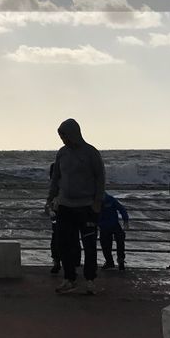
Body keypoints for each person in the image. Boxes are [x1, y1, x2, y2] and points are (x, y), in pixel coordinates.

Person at [45, 118, 105, 295]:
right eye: (61, 136)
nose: (63, 139)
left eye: (64, 135)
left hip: (86, 207)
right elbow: (56, 178)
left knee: (89, 245)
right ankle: (69, 278)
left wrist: (97, 202)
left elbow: (100, 178)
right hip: (64, 206)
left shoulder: (91, 153)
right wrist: (50, 199)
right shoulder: (62, 153)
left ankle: (90, 279)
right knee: (64, 244)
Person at [99, 192, 129, 271]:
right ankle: (120, 260)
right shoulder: (110, 199)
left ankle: (110, 262)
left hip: (105, 226)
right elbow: (121, 209)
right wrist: (125, 220)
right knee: (120, 242)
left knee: (106, 245)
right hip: (114, 224)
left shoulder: (97, 200)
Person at [47, 162, 62, 275]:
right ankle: (58, 261)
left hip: (59, 211)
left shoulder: (55, 185)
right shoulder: (66, 182)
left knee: (56, 237)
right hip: (59, 211)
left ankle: (57, 261)